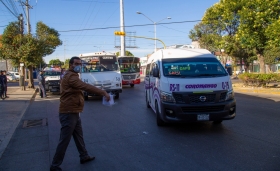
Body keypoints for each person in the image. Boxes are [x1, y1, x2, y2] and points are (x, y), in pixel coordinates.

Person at [50, 56, 110, 171]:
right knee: (64, 139)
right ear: (70, 65)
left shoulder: (71, 75)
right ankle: (55, 165)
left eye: (80, 64)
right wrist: (103, 92)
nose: (79, 66)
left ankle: (84, 156)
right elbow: (85, 86)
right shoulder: (71, 77)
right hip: (68, 112)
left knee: (78, 135)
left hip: (74, 111)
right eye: (76, 63)